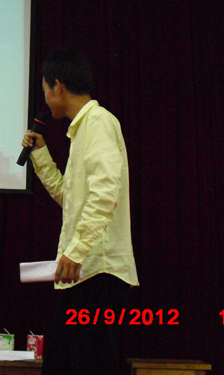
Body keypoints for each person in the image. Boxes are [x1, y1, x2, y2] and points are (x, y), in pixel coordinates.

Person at [22, 48, 139, 375]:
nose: (45, 99)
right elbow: (71, 199)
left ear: (58, 86)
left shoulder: (98, 122)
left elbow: (105, 192)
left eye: (45, 89)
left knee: (90, 364)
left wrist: (75, 252)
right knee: (64, 363)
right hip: (84, 271)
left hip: (98, 272)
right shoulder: (82, 129)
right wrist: (41, 155)